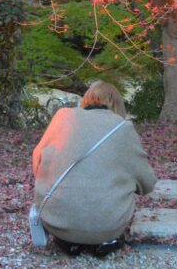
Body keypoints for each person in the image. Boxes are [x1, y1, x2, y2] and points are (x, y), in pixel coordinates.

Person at [31, 81, 157, 256]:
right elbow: (147, 184)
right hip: (108, 227)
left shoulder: (63, 116)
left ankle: (68, 241)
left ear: (86, 98)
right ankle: (104, 240)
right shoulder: (123, 128)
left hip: (55, 222)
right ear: (117, 103)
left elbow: (36, 161)